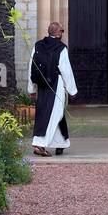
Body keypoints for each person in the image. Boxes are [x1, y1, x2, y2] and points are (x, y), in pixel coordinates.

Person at [28, 22, 77, 156]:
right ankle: (39, 144)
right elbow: (66, 71)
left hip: (42, 86)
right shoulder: (61, 48)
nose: (63, 33)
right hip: (57, 85)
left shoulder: (37, 46)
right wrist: (72, 91)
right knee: (52, 115)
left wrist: (31, 89)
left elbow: (31, 68)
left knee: (52, 113)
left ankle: (60, 142)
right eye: (62, 30)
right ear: (57, 33)